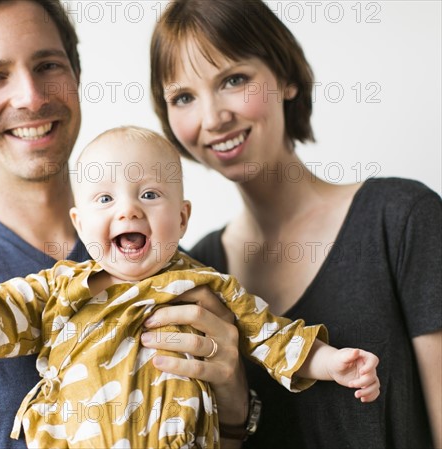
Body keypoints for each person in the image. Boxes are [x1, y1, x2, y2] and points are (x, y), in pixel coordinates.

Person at [0, 1, 247, 447]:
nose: (32, 97)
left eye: (47, 65)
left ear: (75, 79)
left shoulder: (164, 262)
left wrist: (233, 407)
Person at [0, 126, 380, 448]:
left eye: (149, 195)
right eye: (105, 199)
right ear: (80, 222)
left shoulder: (206, 285)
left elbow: (272, 336)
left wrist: (333, 362)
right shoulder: (63, 287)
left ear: (182, 216)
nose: (128, 210)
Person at [149, 0, 442, 448]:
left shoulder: (402, 219)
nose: (212, 118)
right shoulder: (190, 270)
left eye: (233, 80)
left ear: (285, 77)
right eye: (183, 97)